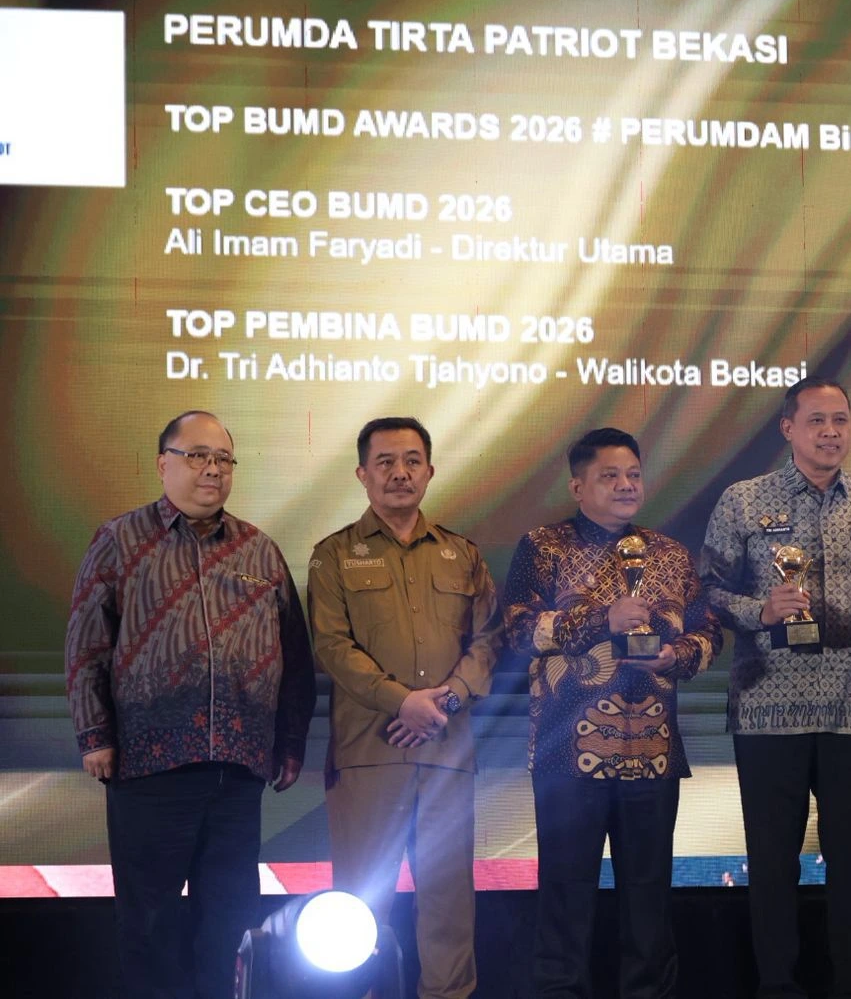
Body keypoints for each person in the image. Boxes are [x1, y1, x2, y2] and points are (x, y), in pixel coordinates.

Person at [65, 410, 315, 999]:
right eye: (197, 456)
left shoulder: (259, 550)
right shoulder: (120, 541)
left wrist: (289, 743)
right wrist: (94, 734)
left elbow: (295, 656)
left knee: (229, 918)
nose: (212, 469)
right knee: (149, 922)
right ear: (163, 464)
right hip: (150, 767)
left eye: (223, 459)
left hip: (238, 767)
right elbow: (86, 643)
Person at [699, 376, 851, 999]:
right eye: (817, 421)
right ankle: (778, 986)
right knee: (773, 862)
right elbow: (706, 592)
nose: (830, 432)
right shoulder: (744, 501)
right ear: (788, 428)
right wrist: (760, 611)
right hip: (767, 709)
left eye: (840, 420)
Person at [502, 428, 722, 999]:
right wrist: (603, 618)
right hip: (565, 752)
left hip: (652, 752)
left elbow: (709, 632)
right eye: (610, 476)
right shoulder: (544, 547)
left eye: (633, 475)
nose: (626, 485)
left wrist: (678, 656)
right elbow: (518, 630)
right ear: (578, 486)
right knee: (565, 895)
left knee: (649, 901)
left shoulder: (669, 553)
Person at [308, 416, 503, 999]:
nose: (400, 473)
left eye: (412, 461)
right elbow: (331, 646)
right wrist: (403, 702)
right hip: (369, 755)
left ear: (430, 471)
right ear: (362, 474)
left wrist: (445, 700)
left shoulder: (462, 555)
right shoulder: (333, 555)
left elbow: (490, 639)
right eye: (386, 462)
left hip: (446, 754)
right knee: (360, 910)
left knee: (449, 907)